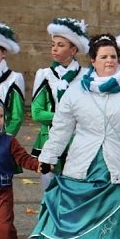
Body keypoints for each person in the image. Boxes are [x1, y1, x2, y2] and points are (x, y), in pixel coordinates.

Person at [27, 34, 120, 239]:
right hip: (83, 163)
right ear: (92, 60)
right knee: (73, 218)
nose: (110, 61)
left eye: (113, 56)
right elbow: (62, 128)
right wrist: (48, 157)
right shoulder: (76, 90)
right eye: (104, 56)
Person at [31, 17, 89, 187]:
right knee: (49, 190)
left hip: (78, 141)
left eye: (61, 45)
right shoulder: (44, 74)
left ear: (73, 50)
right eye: (53, 45)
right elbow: (37, 113)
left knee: (75, 190)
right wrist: (67, 117)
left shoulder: (85, 75)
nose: (55, 49)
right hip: (49, 138)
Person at [0, 99, 40, 239]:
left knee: (4, 228)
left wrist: (38, 165)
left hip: (2, 191)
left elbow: (23, 158)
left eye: (1, 116)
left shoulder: (9, 141)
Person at [0, 21, 25, 137]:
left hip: (0, 138)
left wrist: (5, 140)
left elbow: (17, 117)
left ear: (4, 53)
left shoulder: (14, 78)